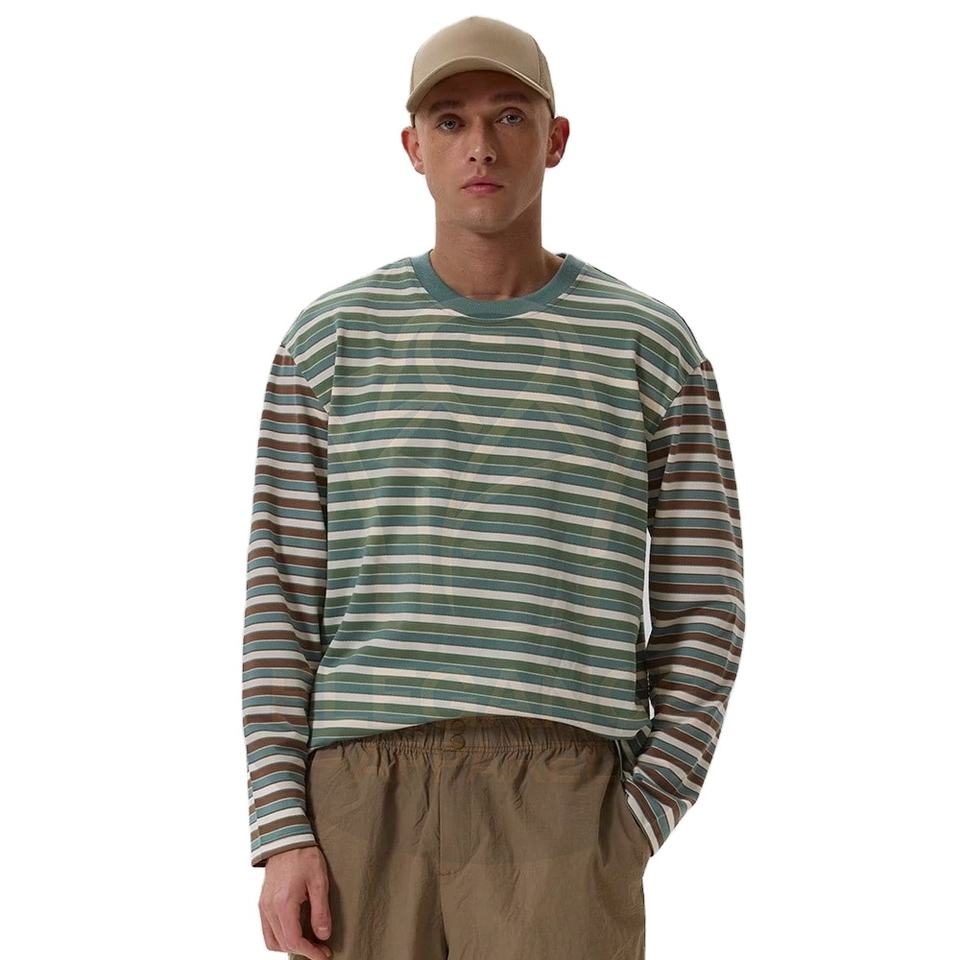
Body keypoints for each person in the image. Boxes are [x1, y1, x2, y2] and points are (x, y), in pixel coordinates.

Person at [242, 15, 745, 960]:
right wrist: (282, 825)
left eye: (510, 116)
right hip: (360, 794)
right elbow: (281, 599)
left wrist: (641, 809)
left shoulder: (649, 347)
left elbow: (704, 601)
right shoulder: (330, 343)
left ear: (557, 138)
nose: (480, 145)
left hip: (565, 793)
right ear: (412, 147)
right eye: (450, 120)